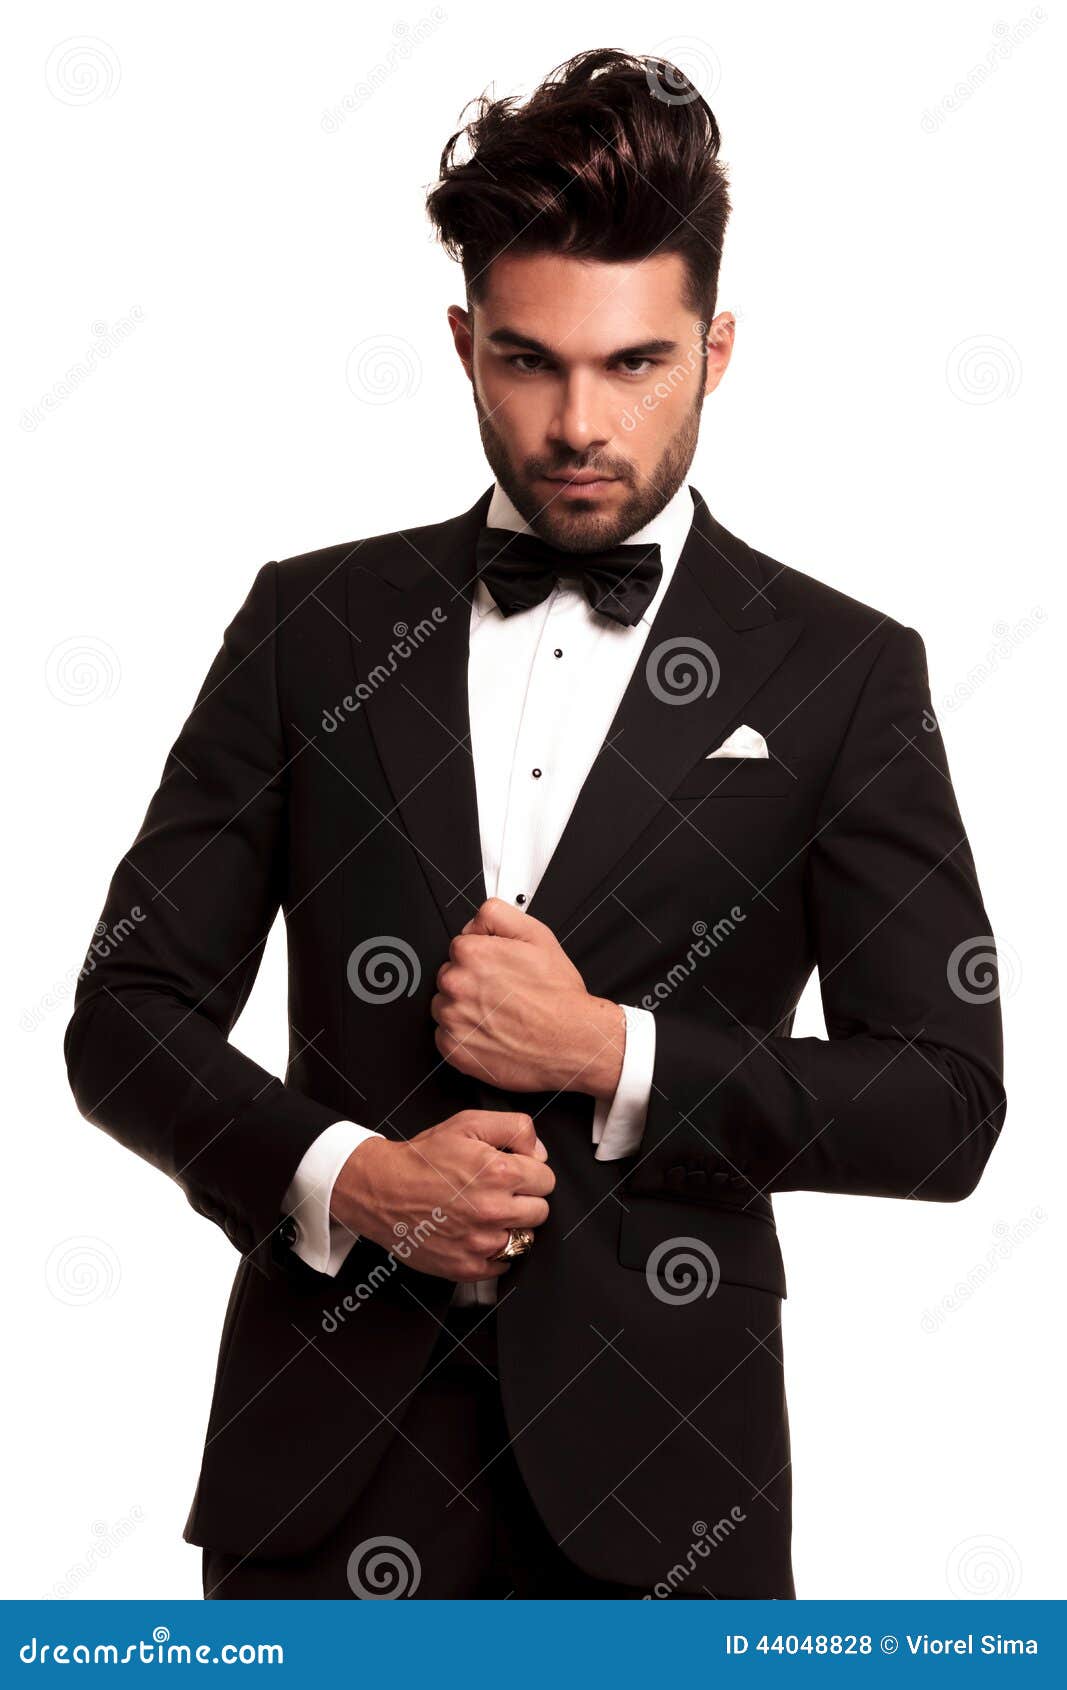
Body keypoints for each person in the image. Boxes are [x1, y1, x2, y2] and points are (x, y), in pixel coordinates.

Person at [64, 48, 1005, 1599]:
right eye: (529, 361)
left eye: (633, 364)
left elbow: (947, 1100)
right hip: (319, 1476)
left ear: (715, 352)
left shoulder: (844, 673)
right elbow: (127, 1013)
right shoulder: (312, 627)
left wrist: (613, 1052)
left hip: (668, 1509)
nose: (581, 422)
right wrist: (346, 1177)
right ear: (462, 345)